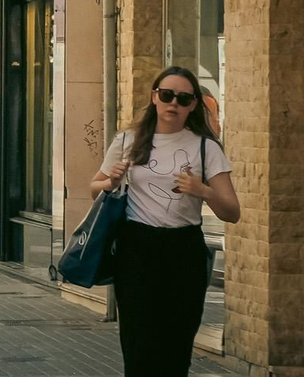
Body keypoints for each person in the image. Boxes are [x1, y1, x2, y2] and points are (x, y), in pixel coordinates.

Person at [90, 65, 239, 377]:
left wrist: (202, 190)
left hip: (183, 250)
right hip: (137, 248)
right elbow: (95, 188)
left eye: (184, 99)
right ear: (154, 97)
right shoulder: (127, 140)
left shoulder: (205, 147)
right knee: (139, 343)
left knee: (176, 344)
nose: (174, 104)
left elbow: (231, 211)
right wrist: (110, 182)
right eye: (167, 95)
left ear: (194, 105)